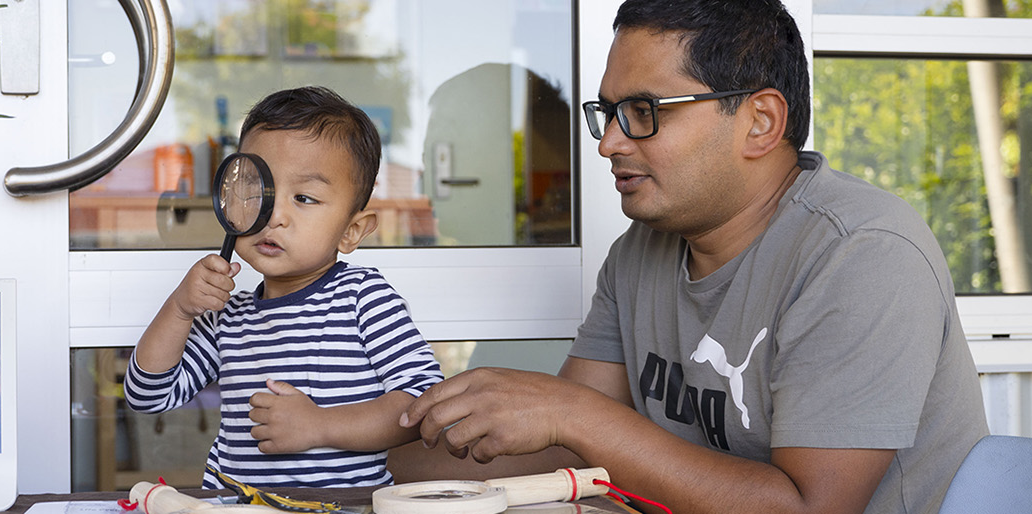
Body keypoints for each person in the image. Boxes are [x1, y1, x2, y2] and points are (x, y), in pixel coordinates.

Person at [397, 2, 989, 513]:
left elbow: (812, 508)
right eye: (608, 113)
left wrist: (574, 414)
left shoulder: (862, 254)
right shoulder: (641, 251)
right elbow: (563, 448)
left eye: (645, 111)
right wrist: (341, 451)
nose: (608, 143)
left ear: (760, 122)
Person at [126, 86, 444, 489]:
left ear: (352, 231)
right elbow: (148, 395)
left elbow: (423, 404)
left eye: (305, 198)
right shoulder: (227, 316)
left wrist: (320, 425)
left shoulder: (364, 299)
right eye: (259, 190)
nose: (274, 215)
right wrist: (179, 309)